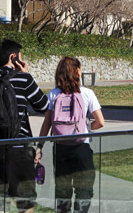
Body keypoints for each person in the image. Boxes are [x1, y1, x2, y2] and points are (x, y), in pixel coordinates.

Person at [0, 39, 48, 213]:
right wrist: (27, 74)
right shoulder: (23, 79)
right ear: (13, 57)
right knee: (25, 203)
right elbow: (43, 106)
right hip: (19, 150)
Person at [37, 56, 105, 213]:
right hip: (82, 147)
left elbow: (47, 124)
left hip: (60, 148)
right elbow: (100, 122)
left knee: (62, 191)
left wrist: (39, 146)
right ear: (78, 71)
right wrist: (86, 127)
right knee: (84, 190)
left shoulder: (53, 94)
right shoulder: (87, 93)